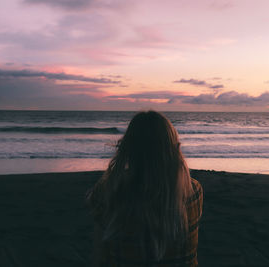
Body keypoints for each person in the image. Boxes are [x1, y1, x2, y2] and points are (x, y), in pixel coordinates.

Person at [87, 110, 203, 266]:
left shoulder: (108, 191)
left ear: (128, 149)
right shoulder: (192, 190)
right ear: (174, 149)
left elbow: (99, 254)